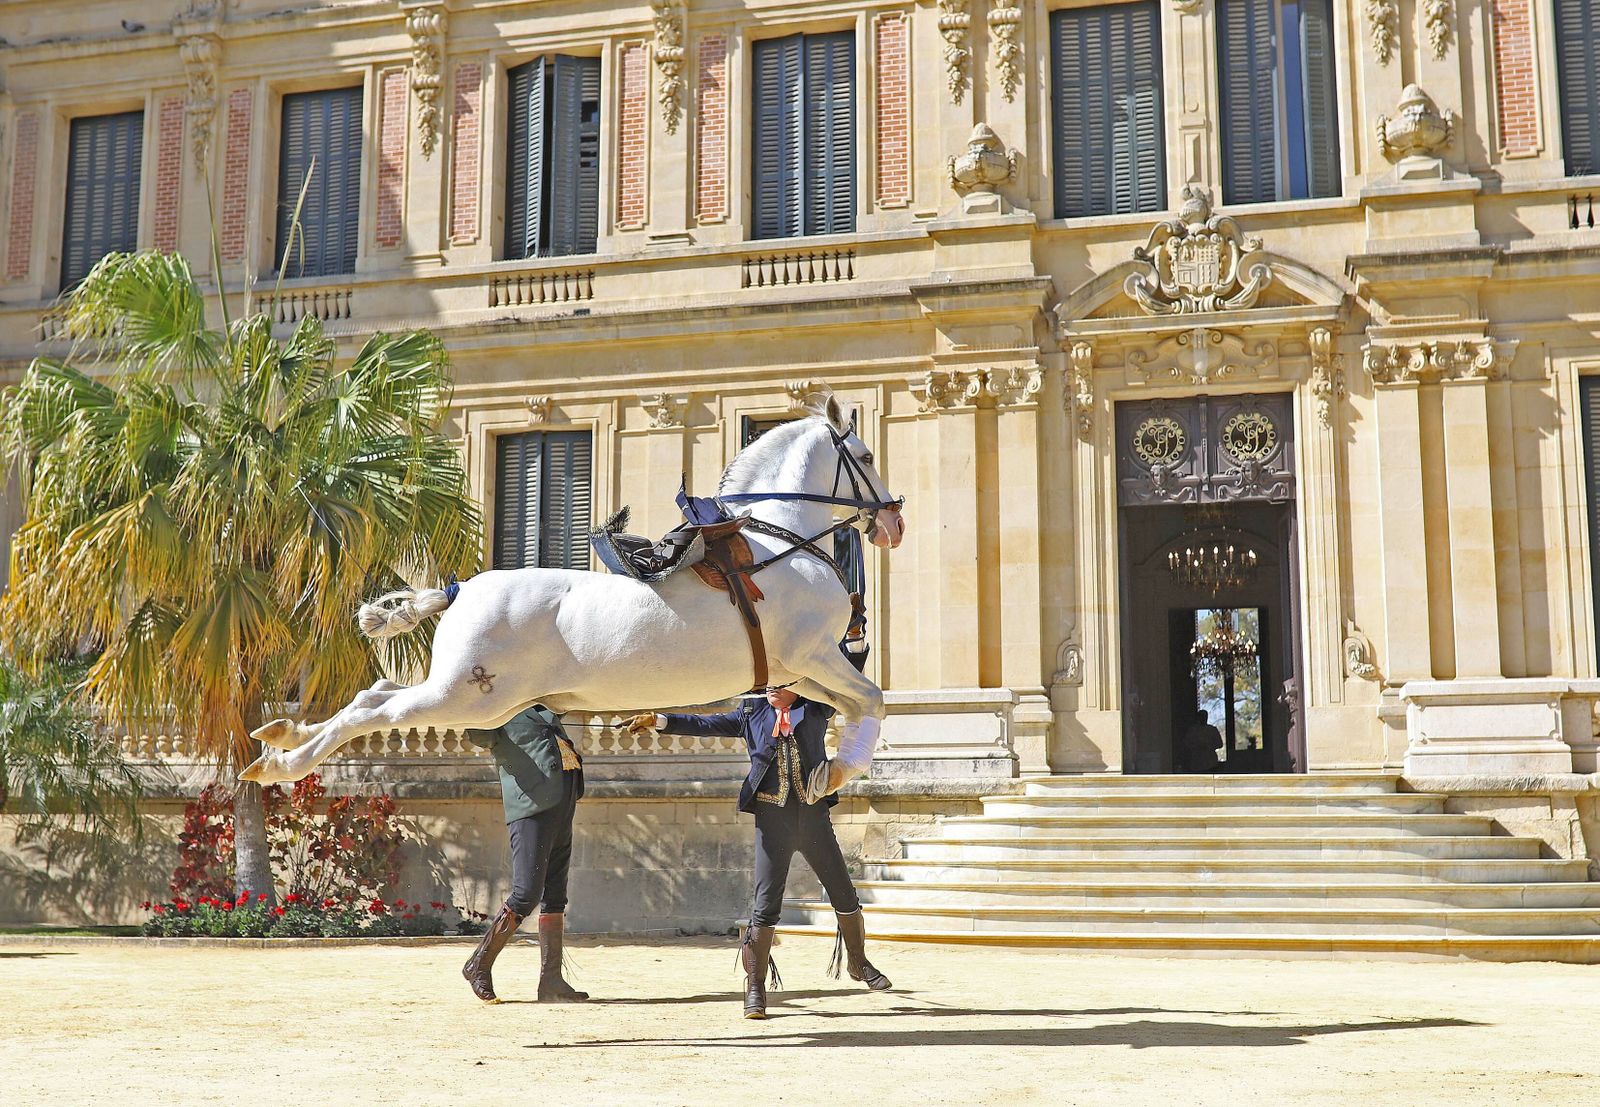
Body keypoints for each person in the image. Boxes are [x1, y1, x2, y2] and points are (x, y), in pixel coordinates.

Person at [628, 677, 891, 1020]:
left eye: (781, 683)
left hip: (813, 818)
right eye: (769, 684)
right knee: (766, 906)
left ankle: (858, 961)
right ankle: (755, 986)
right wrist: (659, 720)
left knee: (844, 894)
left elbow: (847, 673)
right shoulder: (751, 712)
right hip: (772, 822)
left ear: (801, 684)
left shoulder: (816, 707)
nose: (771, 688)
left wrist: (854, 644)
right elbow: (705, 724)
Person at [459, 705, 589, 1004]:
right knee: (526, 893)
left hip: (563, 805)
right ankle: (479, 963)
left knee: (555, 896)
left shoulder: (544, 708)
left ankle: (551, 982)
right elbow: (476, 732)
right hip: (530, 809)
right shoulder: (497, 712)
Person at [1179, 708, 1225, 773]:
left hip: (1210, 763)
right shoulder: (1192, 730)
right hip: (1196, 762)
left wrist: (1208, 746)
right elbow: (1186, 743)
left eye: (1205, 716)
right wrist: (1196, 746)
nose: (1203, 718)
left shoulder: (1212, 730)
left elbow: (1219, 744)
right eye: (1201, 716)